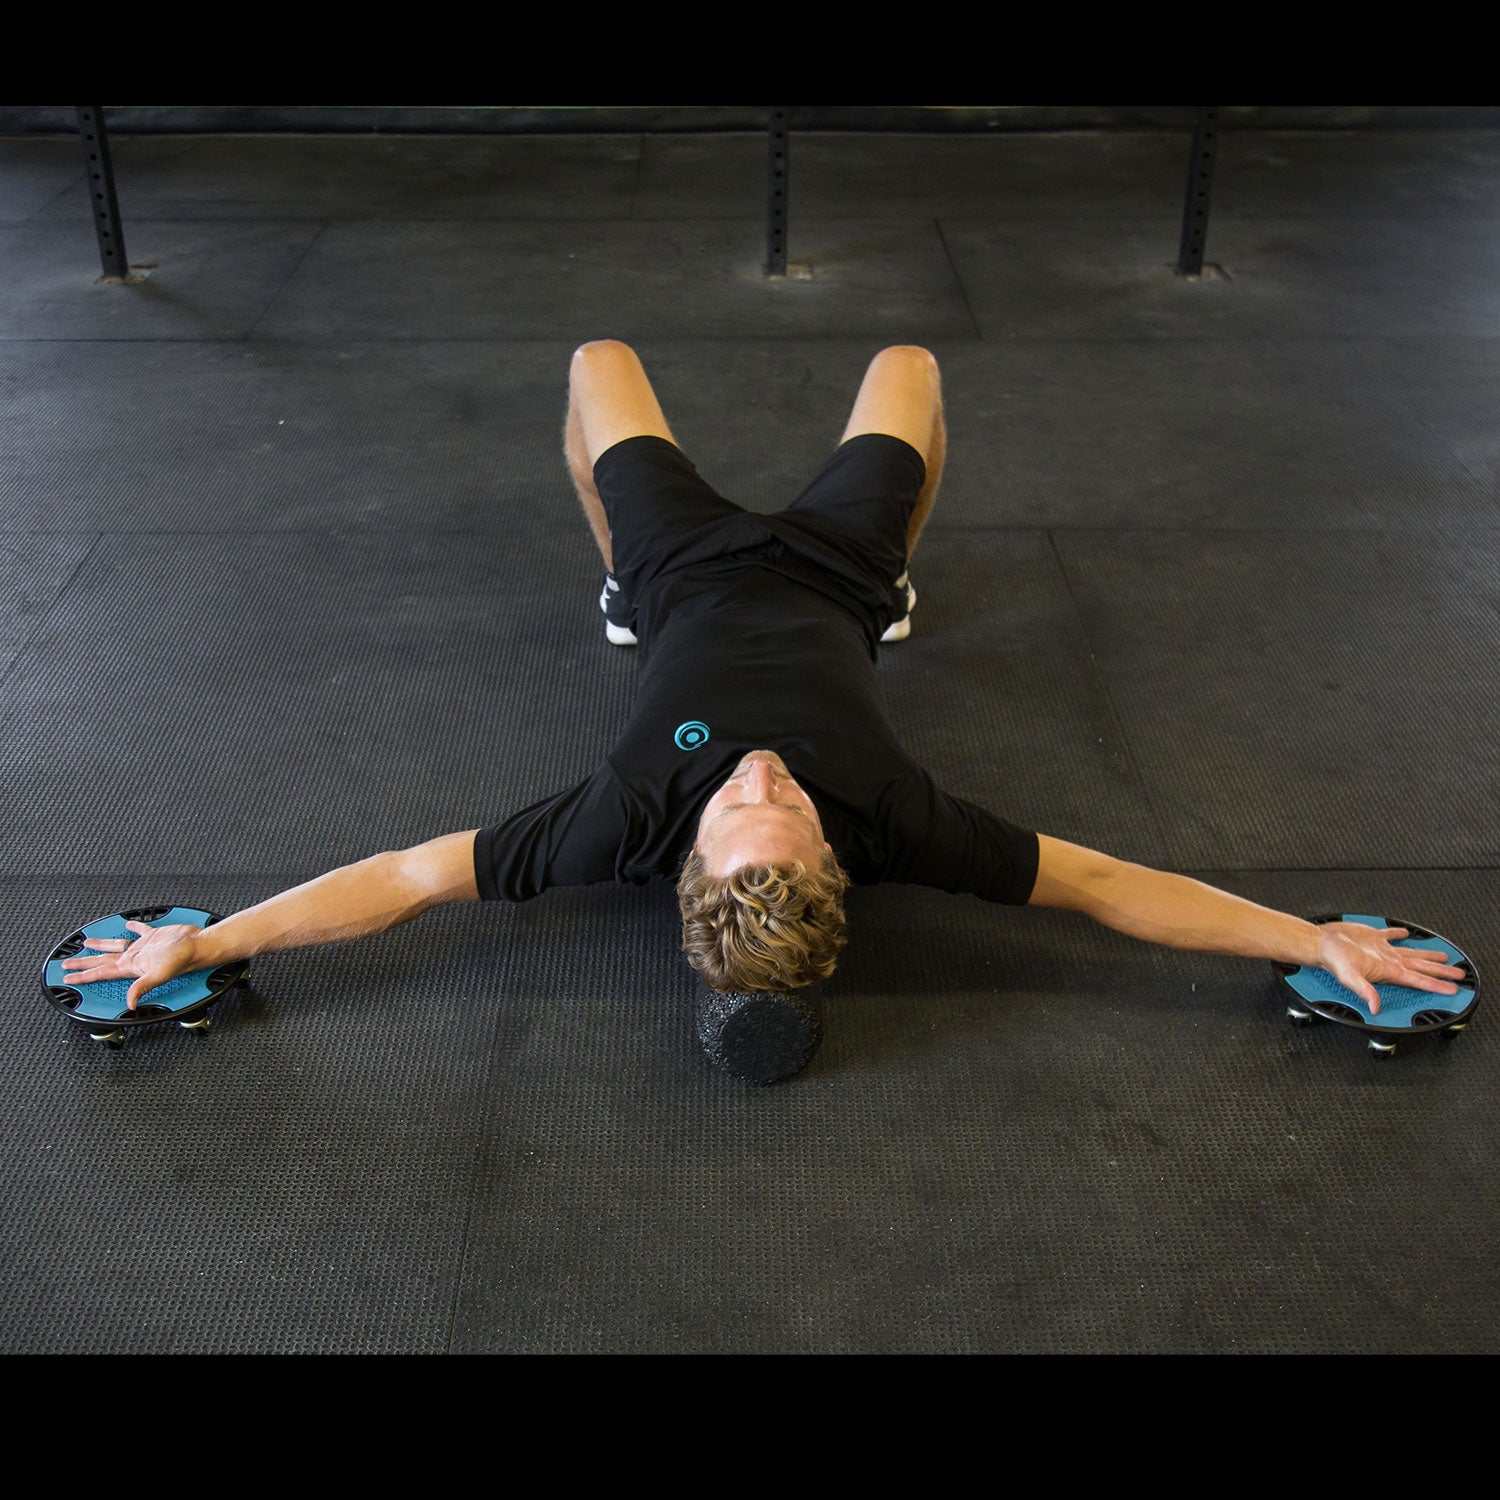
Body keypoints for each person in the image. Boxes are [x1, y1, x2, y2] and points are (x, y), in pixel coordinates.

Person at [61, 342, 1465, 1018]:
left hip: (679, 568)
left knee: (597, 363)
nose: (762, 776)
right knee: (910, 365)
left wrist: (214, 943)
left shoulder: (621, 820)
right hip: (839, 572)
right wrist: (1305, 938)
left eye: (745, 804)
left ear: (687, 858)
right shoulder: (899, 823)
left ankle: (623, 585)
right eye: (786, 804)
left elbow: (405, 880)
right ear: (838, 856)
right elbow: (1108, 888)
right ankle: (887, 580)